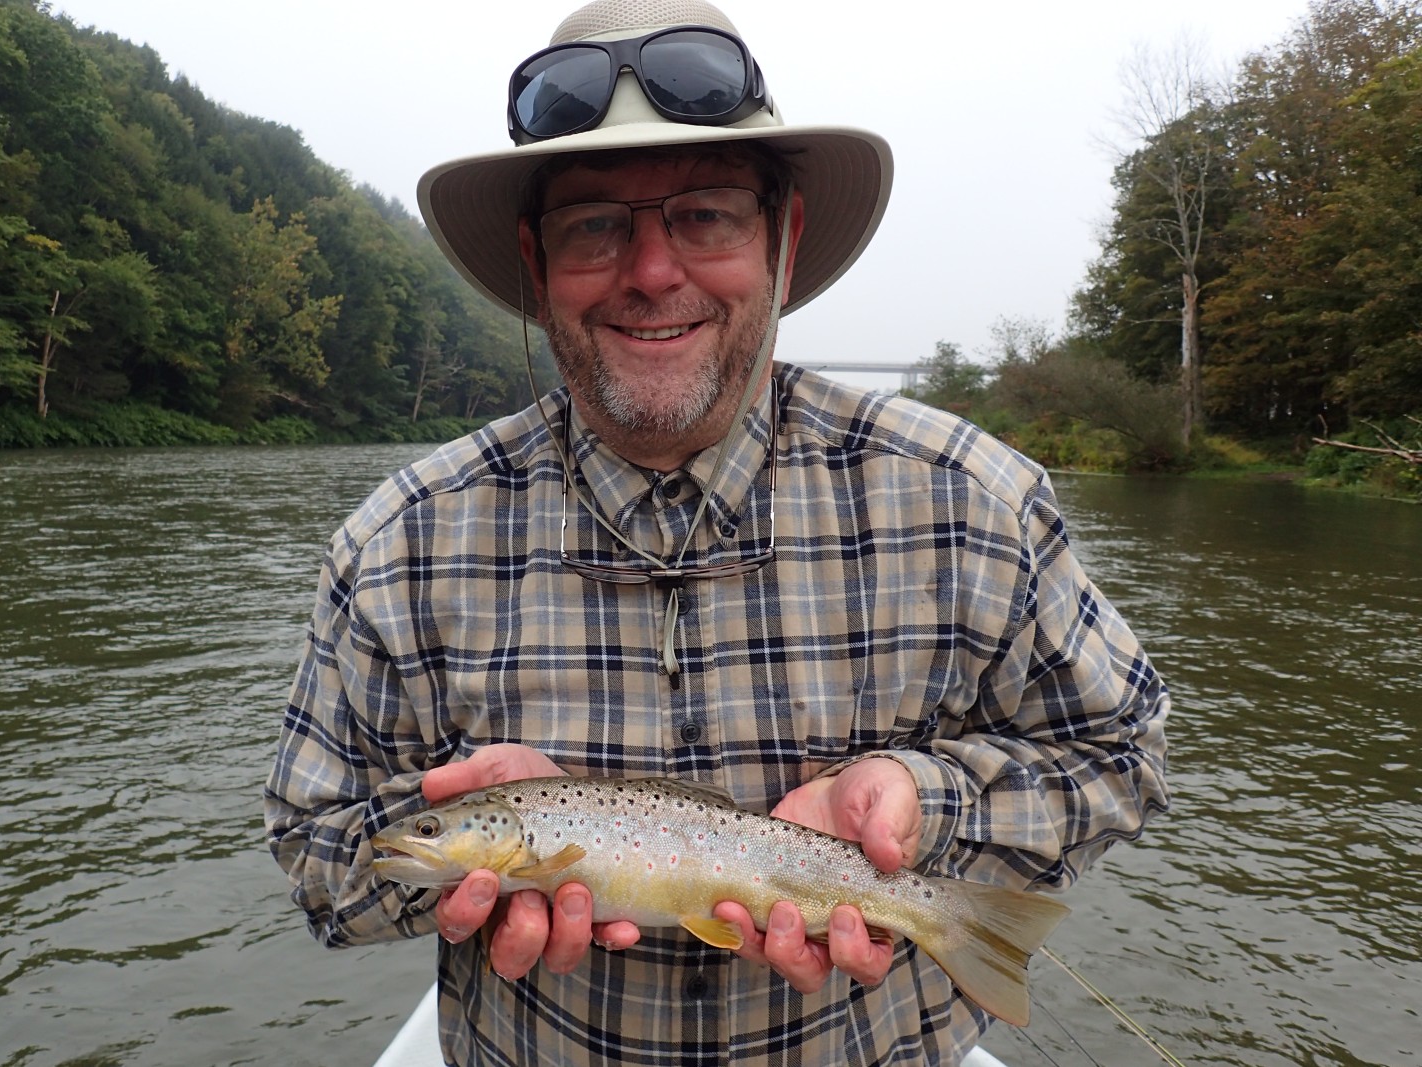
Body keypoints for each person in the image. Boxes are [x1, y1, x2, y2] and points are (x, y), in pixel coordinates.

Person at [265, 1, 1170, 1063]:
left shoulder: (974, 501)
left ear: (781, 236)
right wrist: (454, 868)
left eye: (705, 215)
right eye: (596, 223)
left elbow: (1123, 753)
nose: (653, 272)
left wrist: (923, 803)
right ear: (535, 258)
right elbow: (323, 860)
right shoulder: (395, 547)